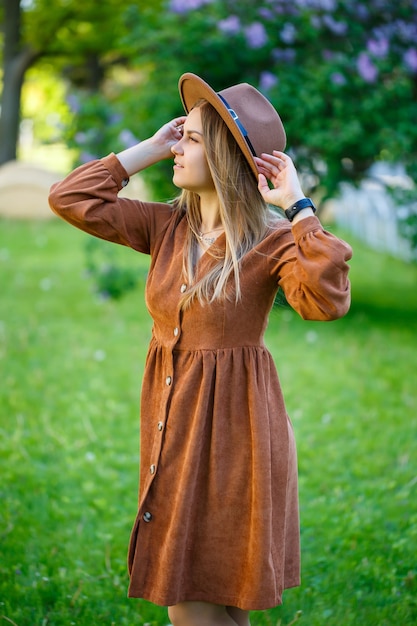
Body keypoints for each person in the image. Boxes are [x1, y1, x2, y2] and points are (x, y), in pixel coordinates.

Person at [49, 72, 352, 626]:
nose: (176, 148)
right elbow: (70, 198)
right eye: (179, 134)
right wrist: (146, 149)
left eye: (189, 138)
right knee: (212, 605)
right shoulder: (166, 227)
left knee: (196, 602)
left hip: (238, 440)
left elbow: (324, 300)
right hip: (176, 431)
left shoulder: (270, 241)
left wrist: (299, 207)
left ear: (224, 156)